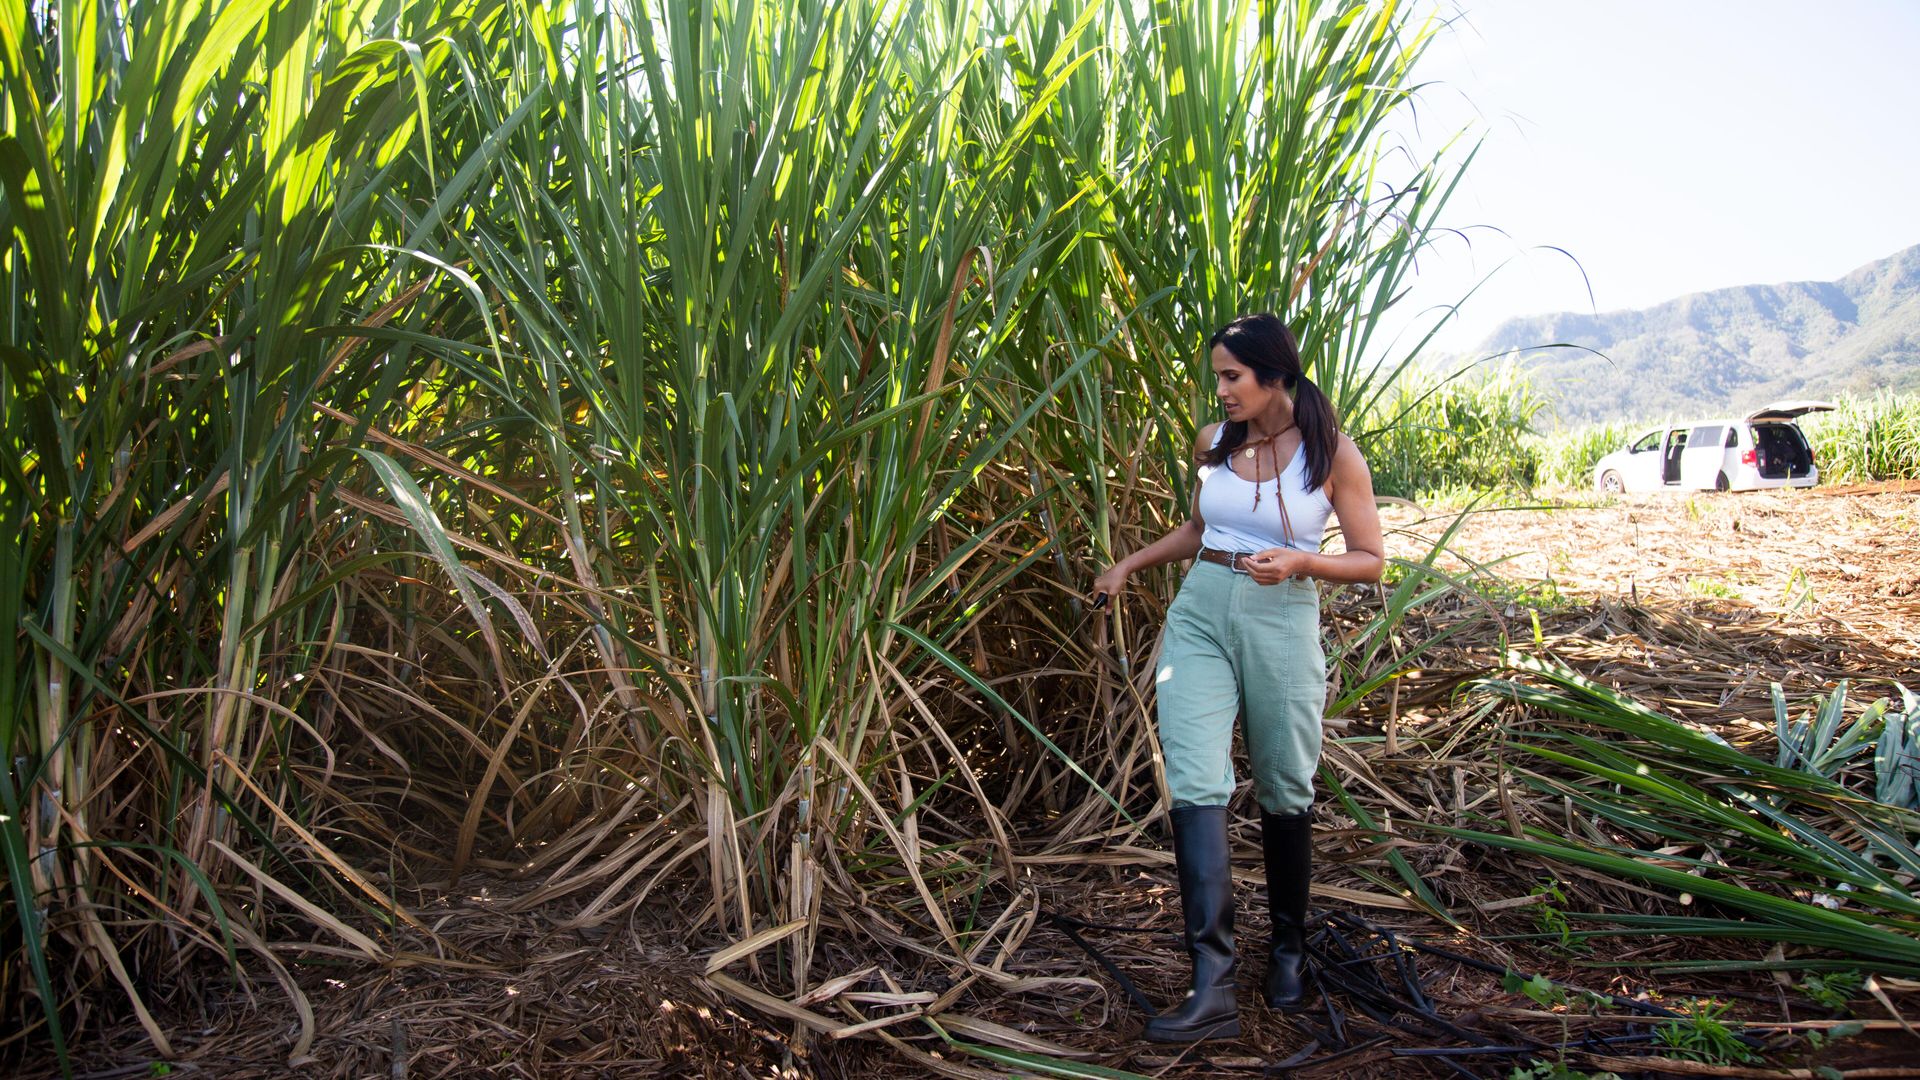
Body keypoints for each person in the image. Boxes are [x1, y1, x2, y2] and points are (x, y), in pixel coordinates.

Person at [1091, 313, 1385, 1043]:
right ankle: (1212, 985)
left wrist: (1302, 561)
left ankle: (1287, 952)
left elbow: (1371, 559)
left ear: (1275, 376)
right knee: (1194, 779)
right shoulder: (1214, 443)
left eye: (1232, 376)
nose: (1219, 390)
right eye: (1217, 375)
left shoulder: (1331, 454)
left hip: (1280, 614)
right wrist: (1129, 564)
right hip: (1200, 609)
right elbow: (1200, 529)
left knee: (1286, 784)